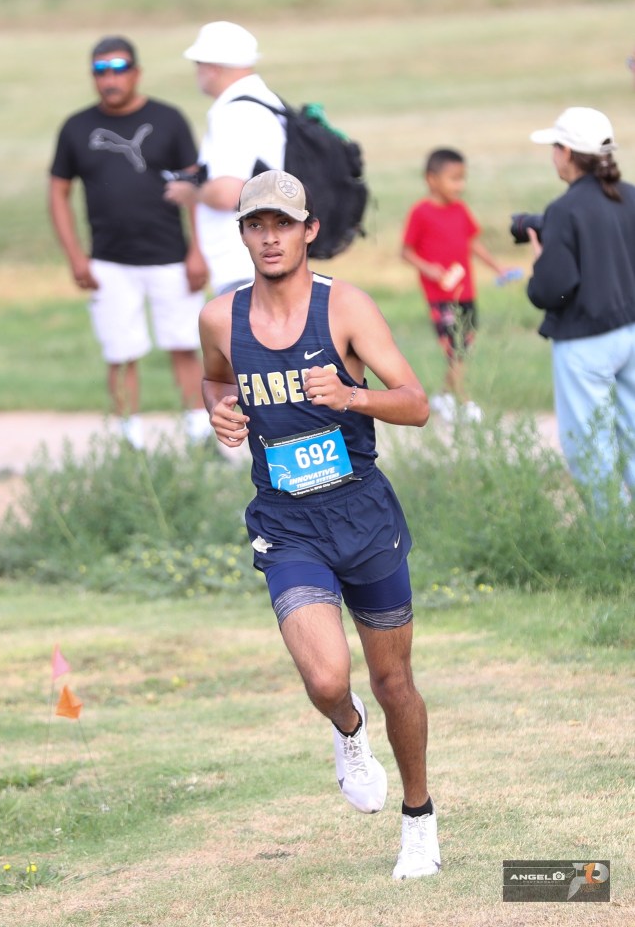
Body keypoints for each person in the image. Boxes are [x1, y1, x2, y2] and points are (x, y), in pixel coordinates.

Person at [199, 169, 441, 881]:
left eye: (283, 224)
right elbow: (215, 377)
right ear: (243, 234)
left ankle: (419, 819)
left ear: (309, 230)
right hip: (287, 523)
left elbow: (416, 403)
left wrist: (352, 396)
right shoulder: (220, 318)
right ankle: (347, 728)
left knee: (393, 680)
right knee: (328, 679)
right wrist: (218, 412)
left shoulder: (346, 308)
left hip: (362, 515)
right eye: (256, 225)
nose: (270, 238)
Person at [49, 35, 211, 449]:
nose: (110, 79)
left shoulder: (168, 119)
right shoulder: (76, 127)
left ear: (136, 73)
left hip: (171, 258)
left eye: (119, 69)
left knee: (185, 345)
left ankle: (199, 436)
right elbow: (58, 192)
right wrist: (76, 257)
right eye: (101, 71)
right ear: (93, 76)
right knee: (120, 353)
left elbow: (194, 187)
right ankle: (129, 441)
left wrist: (198, 250)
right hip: (109, 262)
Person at [526, 107, 635, 507]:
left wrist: (540, 264)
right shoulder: (630, 195)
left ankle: (613, 536)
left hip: (585, 342)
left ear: (567, 152)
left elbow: (551, 290)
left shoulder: (565, 209)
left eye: (555, 147)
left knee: (590, 449)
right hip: (630, 331)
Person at [163, 21, 286, 296]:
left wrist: (192, 193)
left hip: (243, 264)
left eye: (198, 63)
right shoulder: (264, 101)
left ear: (213, 67)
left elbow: (227, 193)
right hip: (266, 258)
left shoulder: (234, 113)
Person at [400, 147, 513, 422]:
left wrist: (498, 267)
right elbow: (406, 251)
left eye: (462, 179)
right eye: (454, 179)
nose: (460, 185)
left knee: (464, 348)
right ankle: (464, 401)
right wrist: (429, 269)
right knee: (455, 349)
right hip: (440, 297)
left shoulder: (461, 210)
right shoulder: (421, 212)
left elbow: (473, 243)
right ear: (431, 179)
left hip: (466, 294)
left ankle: (443, 397)